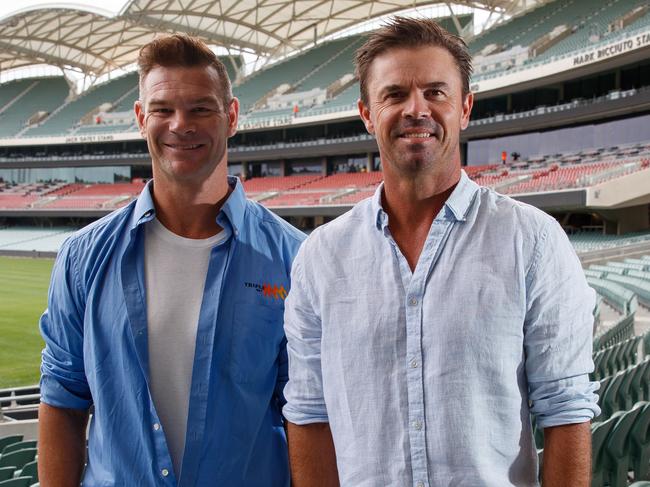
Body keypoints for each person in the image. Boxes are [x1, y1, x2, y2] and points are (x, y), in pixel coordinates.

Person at [283, 17, 599, 487]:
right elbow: (309, 414)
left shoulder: (533, 241)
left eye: (436, 92)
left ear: (465, 108)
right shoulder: (320, 257)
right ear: (367, 113)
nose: (417, 109)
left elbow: (567, 410)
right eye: (394, 94)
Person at [38, 34, 304, 486]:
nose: (181, 125)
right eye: (163, 110)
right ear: (142, 118)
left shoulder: (294, 258)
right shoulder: (82, 257)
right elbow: (63, 398)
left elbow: (306, 411)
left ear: (232, 116)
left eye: (201, 109)